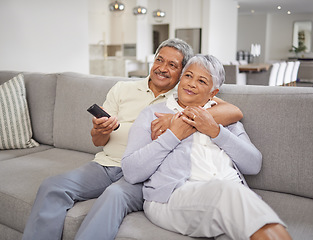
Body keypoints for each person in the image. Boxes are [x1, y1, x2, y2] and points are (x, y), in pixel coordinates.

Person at [22, 39, 243, 240]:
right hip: (107, 165)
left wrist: (177, 118)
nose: (162, 68)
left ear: (182, 72)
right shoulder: (122, 88)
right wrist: (101, 130)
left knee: (115, 195)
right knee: (53, 186)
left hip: (144, 172)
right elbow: (98, 141)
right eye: (159, 60)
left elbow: (233, 112)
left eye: (173, 65)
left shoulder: (184, 93)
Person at [121, 54, 292, 240]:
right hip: (173, 196)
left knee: (236, 216)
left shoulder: (225, 119)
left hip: (230, 192)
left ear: (213, 92)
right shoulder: (153, 114)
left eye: (201, 80)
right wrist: (173, 136)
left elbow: (254, 164)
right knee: (228, 193)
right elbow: (131, 172)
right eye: (188, 76)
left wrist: (216, 131)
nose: (191, 83)